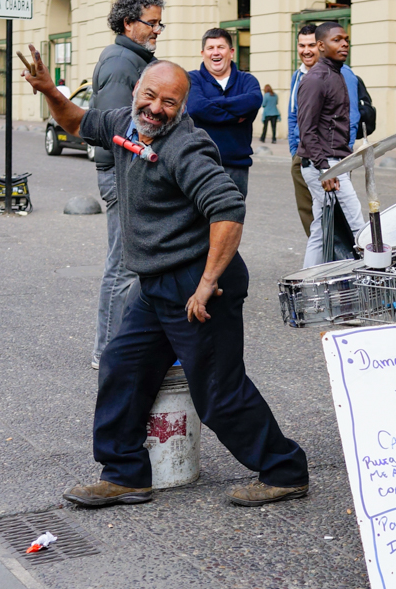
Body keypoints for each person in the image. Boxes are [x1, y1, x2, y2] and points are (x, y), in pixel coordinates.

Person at [19, 47, 309, 508]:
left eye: (169, 102)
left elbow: (228, 209)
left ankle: (285, 469)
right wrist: (51, 92)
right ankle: (125, 474)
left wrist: (208, 282)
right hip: (155, 284)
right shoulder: (121, 124)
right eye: (150, 96)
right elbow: (77, 123)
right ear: (136, 90)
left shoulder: (184, 146)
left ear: (182, 108)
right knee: (122, 366)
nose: (156, 108)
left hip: (199, 284)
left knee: (217, 392)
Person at [88, 0, 161, 370]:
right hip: (123, 172)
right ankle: (107, 353)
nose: (156, 31)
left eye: (159, 25)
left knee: (130, 264)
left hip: (128, 172)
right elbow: (117, 131)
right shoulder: (121, 63)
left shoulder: (132, 59)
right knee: (122, 265)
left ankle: (121, 346)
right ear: (130, 23)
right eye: (152, 24)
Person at [296, 22, 367, 269]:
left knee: (320, 229)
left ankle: (305, 286)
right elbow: (307, 129)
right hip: (325, 166)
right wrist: (325, 168)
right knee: (360, 228)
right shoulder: (316, 78)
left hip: (333, 163)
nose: (344, 44)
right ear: (321, 46)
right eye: (337, 40)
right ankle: (394, 300)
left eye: (346, 39)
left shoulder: (336, 74)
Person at [187, 29, 262, 198]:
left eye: (221, 47)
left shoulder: (247, 80)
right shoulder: (192, 79)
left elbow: (254, 101)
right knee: (198, 222)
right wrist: (236, 116)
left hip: (237, 167)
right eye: (210, 48)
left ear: (231, 52)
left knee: (232, 222)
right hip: (200, 164)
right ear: (203, 53)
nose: (215, 52)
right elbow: (197, 107)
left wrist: (214, 102)